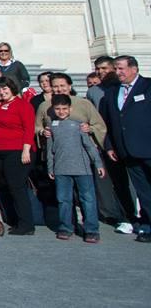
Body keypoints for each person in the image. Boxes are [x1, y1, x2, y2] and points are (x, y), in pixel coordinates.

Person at [100, 56, 151, 242]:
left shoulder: (148, 86)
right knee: (143, 191)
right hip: (127, 150)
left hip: (148, 146)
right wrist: (110, 146)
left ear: (134, 69)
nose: (118, 72)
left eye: (121, 68)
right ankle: (148, 225)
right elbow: (108, 122)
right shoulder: (112, 92)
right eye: (116, 69)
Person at [46, 94, 104, 243]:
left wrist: (98, 164)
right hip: (61, 169)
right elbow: (50, 150)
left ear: (70, 109)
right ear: (53, 109)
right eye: (58, 109)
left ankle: (91, 229)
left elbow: (90, 147)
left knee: (88, 199)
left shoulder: (79, 125)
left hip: (82, 169)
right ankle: (66, 227)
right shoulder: (52, 127)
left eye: (64, 108)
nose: (61, 111)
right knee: (63, 200)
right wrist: (50, 167)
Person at [0, 77, 37, 235]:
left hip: (17, 151)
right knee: (9, 187)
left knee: (17, 188)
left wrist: (26, 149)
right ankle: (15, 219)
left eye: (5, 88)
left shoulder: (22, 105)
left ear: (12, 88)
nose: (2, 92)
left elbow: (29, 128)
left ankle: (26, 224)